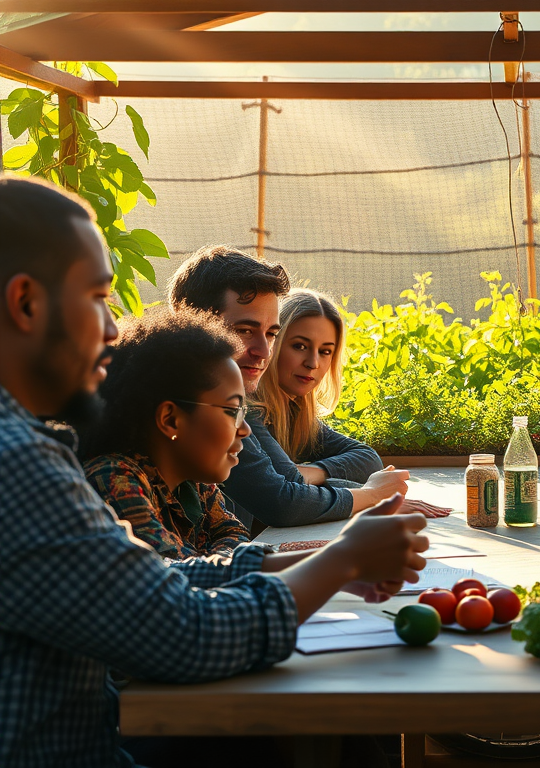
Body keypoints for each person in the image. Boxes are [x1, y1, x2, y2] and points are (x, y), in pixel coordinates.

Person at [0, 177, 428, 768]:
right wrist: (343, 559)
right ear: (26, 304)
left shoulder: (33, 445)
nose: (108, 331)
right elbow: (180, 631)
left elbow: (159, 581)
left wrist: (317, 561)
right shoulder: (20, 465)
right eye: (97, 298)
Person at [168, 246, 410, 531]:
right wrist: (371, 495)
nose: (263, 351)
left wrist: (312, 477)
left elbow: (227, 537)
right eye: (244, 330)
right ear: (192, 326)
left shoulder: (268, 411)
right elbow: (282, 501)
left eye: (271, 333)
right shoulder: (207, 409)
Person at [255, 288, 450, 518]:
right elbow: (289, 494)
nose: (313, 362)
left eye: (325, 351)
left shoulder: (296, 415)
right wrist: (371, 496)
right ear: (272, 344)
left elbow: (367, 459)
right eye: (300, 346)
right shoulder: (249, 414)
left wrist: (312, 472)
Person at [82, 310, 254, 558]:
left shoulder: (194, 480)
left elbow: (232, 532)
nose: (245, 429)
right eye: (231, 410)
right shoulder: (113, 478)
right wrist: (225, 561)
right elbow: (176, 570)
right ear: (171, 420)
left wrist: (221, 559)